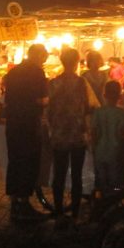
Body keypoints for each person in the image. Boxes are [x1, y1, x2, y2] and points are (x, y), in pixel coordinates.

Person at [47, 47, 99, 219]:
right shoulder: (82, 83)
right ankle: (75, 213)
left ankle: (59, 211)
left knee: (59, 174)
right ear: (77, 62)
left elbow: (47, 110)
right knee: (76, 175)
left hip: (59, 133)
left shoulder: (53, 83)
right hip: (78, 134)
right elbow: (91, 107)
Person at [3, 44, 50, 221]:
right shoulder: (37, 73)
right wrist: (47, 101)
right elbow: (41, 99)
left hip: (13, 123)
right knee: (29, 161)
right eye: (44, 56)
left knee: (15, 161)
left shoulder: (14, 72)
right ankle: (23, 202)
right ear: (38, 55)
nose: (44, 60)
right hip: (29, 123)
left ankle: (15, 201)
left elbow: (8, 98)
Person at [92, 81, 124, 191]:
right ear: (119, 96)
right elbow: (122, 133)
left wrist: (93, 147)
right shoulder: (122, 113)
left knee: (101, 179)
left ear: (104, 95)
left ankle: (102, 202)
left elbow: (94, 132)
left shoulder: (98, 112)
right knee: (114, 180)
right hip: (115, 150)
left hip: (100, 149)